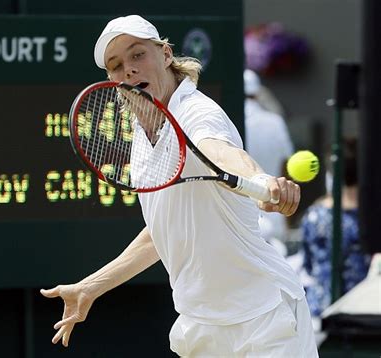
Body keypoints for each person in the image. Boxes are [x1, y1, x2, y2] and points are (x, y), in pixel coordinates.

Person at [41, 15, 318, 357]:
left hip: (264, 320)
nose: (128, 69)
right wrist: (91, 287)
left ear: (166, 54)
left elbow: (221, 151)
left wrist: (260, 182)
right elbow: (162, 231)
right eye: (116, 66)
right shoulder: (140, 139)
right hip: (200, 325)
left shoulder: (197, 112)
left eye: (137, 55)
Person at [301, 138, 371, 318]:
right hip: (365, 313)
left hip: (320, 312)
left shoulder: (314, 215)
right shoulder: (372, 216)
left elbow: (308, 265)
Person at [244, 69, 295, 253]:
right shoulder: (275, 122)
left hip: (243, 217)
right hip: (275, 213)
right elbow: (285, 171)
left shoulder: (225, 120)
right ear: (257, 92)